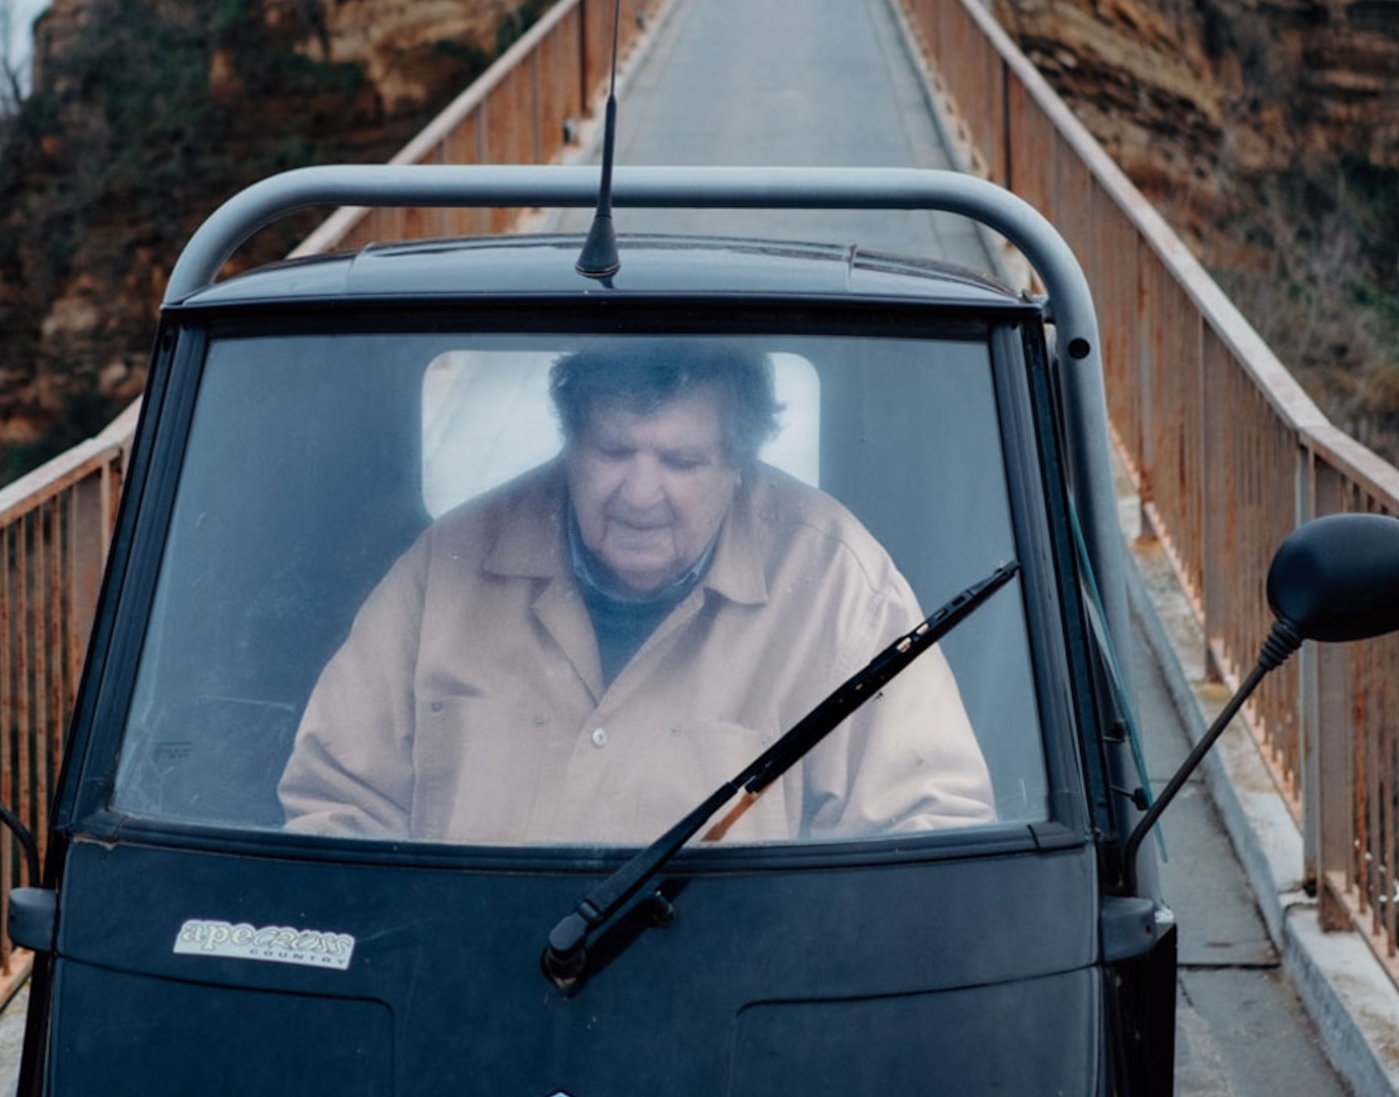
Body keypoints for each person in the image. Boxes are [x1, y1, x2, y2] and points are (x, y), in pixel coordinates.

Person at [279, 340, 996, 845]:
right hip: (467, 1008)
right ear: (570, 444)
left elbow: (927, 827)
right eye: (614, 451)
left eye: (681, 460)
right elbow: (334, 802)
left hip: (744, 1025)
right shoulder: (447, 567)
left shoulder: (841, 587)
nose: (641, 493)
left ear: (741, 464)